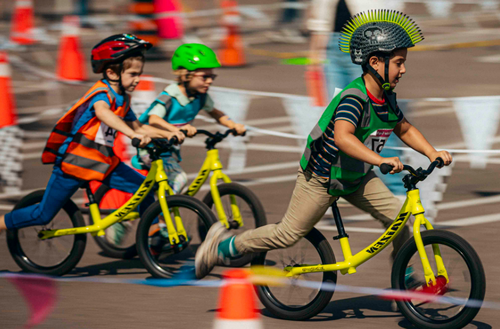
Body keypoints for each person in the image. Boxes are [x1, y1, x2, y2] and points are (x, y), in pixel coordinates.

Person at [194, 10, 453, 279]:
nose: (404, 69)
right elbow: (343, 137)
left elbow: (404, 128)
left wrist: (431, 152)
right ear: (375, 62)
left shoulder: (386, 98)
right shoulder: (354, 98)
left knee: (402, 221)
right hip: (321, 177)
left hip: (356, 176)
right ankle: (223, 245)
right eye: (399, 62)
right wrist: (380, 160)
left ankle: (404, 277)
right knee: (289, 234)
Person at [0, 34, 178, 234]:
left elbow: (139, 127)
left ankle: (151, 236)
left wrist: (171, 132)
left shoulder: (124, 98)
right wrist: (131, 134)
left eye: (140, 73)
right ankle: (1, 223)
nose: (138, 79)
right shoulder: (101, 93)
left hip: (104, 162)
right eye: (133, 74)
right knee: (43, 214)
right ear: (112, 73)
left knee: (144, 191)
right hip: (75, 162)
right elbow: (104, 113)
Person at [132, 43, 246, 194]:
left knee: (167, 186)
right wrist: (177, 129)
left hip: (169, 147)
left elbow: (215, 113)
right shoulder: (170, 96)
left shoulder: (200, 96)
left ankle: (159, 209)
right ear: (186, 75)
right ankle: (160, 216)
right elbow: (153, 119)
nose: (210, 81)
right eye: (205, 77)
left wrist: (232, 124)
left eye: (212, 77)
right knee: (179, 180)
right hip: (150, 147)